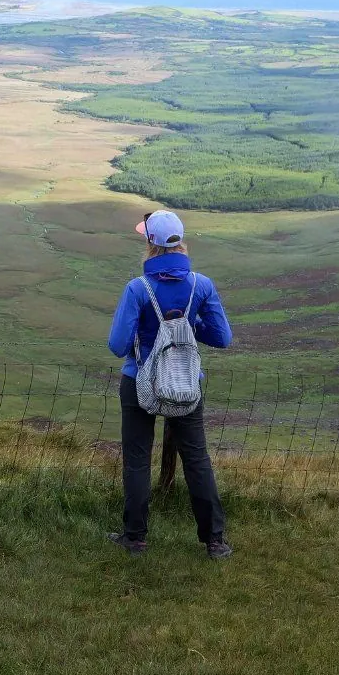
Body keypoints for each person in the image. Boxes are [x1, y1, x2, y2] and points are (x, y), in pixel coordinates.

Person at [106, 209, 234, 559]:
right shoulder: (201, 285)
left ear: (150, 244)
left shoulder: (138, 288)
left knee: (136, 459)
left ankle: (135, 538)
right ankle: (215, 541)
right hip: (186, 384)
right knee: (196, 459)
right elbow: (222, 338)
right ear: (181, 242)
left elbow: (118, 346)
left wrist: (146, 331)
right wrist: (187, 327)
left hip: (139, 382)